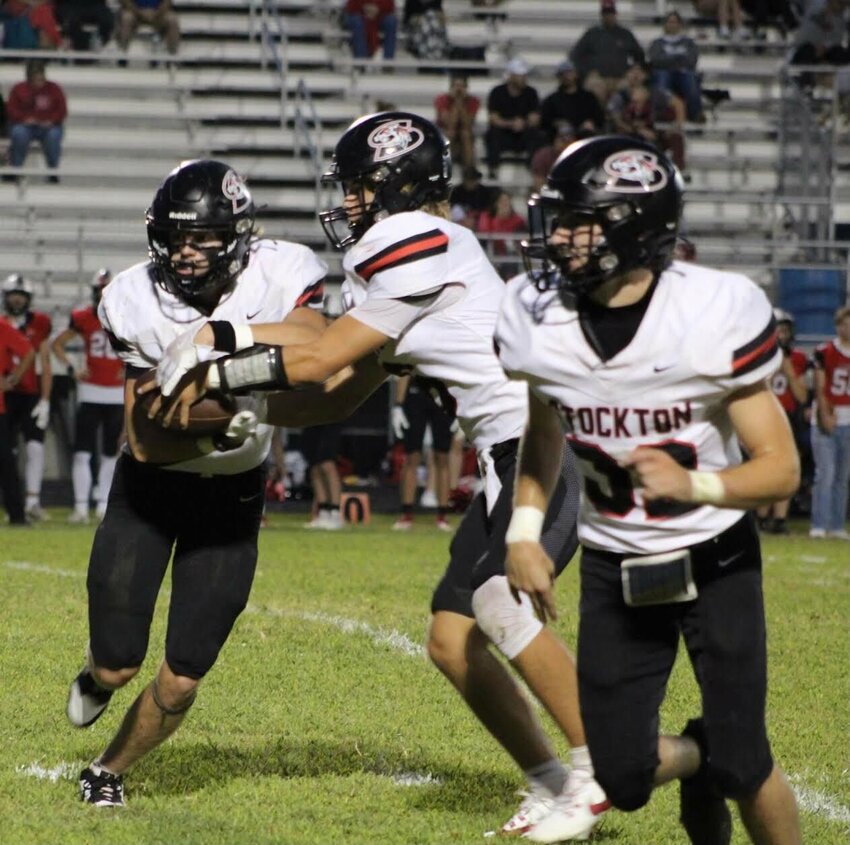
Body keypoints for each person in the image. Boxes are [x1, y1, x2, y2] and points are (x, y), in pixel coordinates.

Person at [153, 112, 608, 840]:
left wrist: (217, 345)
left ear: (396, 184)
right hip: (503, 452)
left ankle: (597, 766)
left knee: (497, 603)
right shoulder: (405, 261)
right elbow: (333, 388)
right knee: (451, 639)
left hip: (531, 452)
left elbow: (321, 356)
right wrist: (241, 400)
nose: (351, 203)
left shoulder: (413, 240)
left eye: (361, 186)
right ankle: (555, 780)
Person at [495, 134, 803, 844]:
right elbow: (544, 429)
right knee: (622, 773)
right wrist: (522, 530)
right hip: (614, 564)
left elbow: (781, 467)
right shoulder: (537, 317)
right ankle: (696, 760)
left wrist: (694, 481)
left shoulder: (710, 310)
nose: (559, 238)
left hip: (713, 554)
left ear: (631, 228)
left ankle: (720, 759)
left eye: (579, 221)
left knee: (747, 760)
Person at [64, 159, 328, 808]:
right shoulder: (132, 297)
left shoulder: (281, 271)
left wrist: (220, 361)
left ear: (237, 235)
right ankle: (99, 677)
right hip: (149, 494)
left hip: (230, 500)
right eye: (175, 238)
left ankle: (107, 769)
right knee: (118, 662)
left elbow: (318, 345)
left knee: (182, 676)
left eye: (201, 238)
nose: (185, 253)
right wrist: (235, 415)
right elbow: (148, 438)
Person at [52, 271, 125, 524]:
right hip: (91, 390)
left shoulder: (126, 316)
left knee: (109, 452)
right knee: (82, 451)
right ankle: (81, 506)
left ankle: (103, 504)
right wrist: (73, 368)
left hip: (116, 393)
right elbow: (57, 343)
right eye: (100, 292)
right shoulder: (82, 317)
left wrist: (130, 365)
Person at [2, 273, 52, 522]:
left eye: (21, 296)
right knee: (6, 451)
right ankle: (11, 502)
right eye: (13, 295)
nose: (17, 300)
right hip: (7, 397)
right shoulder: (2, 324)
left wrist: (45, 398)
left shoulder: (39, 324)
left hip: (30, 393)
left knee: (34, 447)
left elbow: (43, 361)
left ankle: (32, 501)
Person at [757, 308, 808, 534]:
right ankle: (760, 516)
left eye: (785, 331)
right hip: (762, 415)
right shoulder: (757, 357)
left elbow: (802, 396)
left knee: (787, 466)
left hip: (788, 416)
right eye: (778, 331)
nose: (781, 336)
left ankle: (779, 519)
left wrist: (788, 370)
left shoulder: (796, 358)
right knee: (761, 466)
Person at [391, 374, 454, 531]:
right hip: (416, 392)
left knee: (442, 456)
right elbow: (404, 368)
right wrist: (398, 404)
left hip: (442, 393)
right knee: (412, 455)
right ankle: (406, 514)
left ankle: (442, 515)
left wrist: (462, 404)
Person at [809, 304, 850, 539]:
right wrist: (824, 413)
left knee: (842, 477)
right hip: (829, 417)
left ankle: (836, 525)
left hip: (849, 419)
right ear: (838, 326)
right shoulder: (824, 351)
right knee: (825, 473)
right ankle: (819, 523)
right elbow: (820, 386)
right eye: (846, 323)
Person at [608, 62, 687, 173]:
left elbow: (678, 103)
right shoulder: (620, 96)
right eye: (632, 72)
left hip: (654, 133)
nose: (635, 75)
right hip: (629, 133)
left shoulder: (656, 93)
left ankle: (678, 171)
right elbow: (616, 119)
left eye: (639, 72)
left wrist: (677, 125)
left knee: (676, 136)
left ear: (645, 75)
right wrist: (637, 130)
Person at [570, 0, 644, 107]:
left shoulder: (625, 34)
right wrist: (587, 72)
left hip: (621, 78)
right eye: (606, 13)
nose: (608, 16)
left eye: (611, 13)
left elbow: (639, 55)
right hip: (598, 78)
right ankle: (599, 120)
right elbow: (576, 56)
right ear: (601, 15)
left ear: (615, 14)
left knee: (633, 90)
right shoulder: (592, 34)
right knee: (593, 90)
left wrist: (633, 71)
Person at [484, 57, 547, 179]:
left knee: (536, 135)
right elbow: (494, 119)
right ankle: (493, 169)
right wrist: (511, 123)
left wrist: (523, 123)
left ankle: (534, 170)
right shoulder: (497, 92)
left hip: (523, 135)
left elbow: (535, 118)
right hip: (504, 134)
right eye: (520, 75)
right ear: (511, 76)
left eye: (524, 75)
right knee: (492, 133)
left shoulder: (531, 93)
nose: (524, 78)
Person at [5, 59, 67, 182]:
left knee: (53, 136)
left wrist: (51, 121)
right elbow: (11, 110)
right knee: (19, 133)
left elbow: (62, 110)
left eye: (41, 79)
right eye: (35, 80)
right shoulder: (18, 89)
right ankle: (16, 169)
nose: (38, 83)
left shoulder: (54, 89)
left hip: (49, 125)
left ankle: (52, 171)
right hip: (25, 125)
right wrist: (24, 119)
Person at [0, 317, 35, 526]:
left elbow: (28, 352)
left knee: (5, 462)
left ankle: (17, 515)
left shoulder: (3, 328)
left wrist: (12, 379)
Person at [647, 10, 705, 123]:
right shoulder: (657, 43)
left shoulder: (689, 43)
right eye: (669, 22)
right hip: (663, 72)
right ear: (665, 24)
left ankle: (695, 114)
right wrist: (678, 59)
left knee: (690, 79)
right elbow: (655, 61)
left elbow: (691, 61)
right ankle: (660, 114)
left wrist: (669, 60)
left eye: (675, 22)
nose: (672, 25)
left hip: (684, 73)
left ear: (680, 24)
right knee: (662, 78)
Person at [539, 59, 604, 143]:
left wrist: (591, 123)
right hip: (561, 138)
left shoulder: (588, 97)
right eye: (563, 74)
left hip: (584, 136)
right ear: (559, 77)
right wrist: (556, 123)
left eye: (569, 73)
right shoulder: (552, 99)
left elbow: (600, 118)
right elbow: (544, 121)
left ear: (575, 74)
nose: (566, 76)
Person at [301, 422, 345, 530]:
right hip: (312, 417)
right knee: (315, 468)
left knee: (327, 464)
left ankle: (335, 514)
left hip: (330, 417)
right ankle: (323, 514)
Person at [476, 189, 526, 279]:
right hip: (490, 250)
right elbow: (484, 234)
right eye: (501, 201)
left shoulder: (518, 220)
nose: (504, 204)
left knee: (510, 255)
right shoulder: (486, 217)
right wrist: (498, 218)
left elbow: (520, 238)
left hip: (509, 253)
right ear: (495, 203)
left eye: (507, 201)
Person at [434, 73, 480, 170]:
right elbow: (449, 123)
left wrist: (460, 104)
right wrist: (456, 103)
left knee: (465, 133)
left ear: (466, 88)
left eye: (462, 86)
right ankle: (444, 167)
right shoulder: (441, 99)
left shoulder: (473, 101)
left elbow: (467, 123)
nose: (459, 90)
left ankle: (469, 169)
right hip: (445, 130)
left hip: (464, 131)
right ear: (451, 87)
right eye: (456, 86)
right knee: (450, 133)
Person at [530, 122, 576, 192]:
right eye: (563, 140)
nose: (566, 144)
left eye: (569, 141)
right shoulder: (543, 155)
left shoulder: (578, 156)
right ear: (555, 140)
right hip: (548, 195)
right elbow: (538, 184)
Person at [449, 164, 496, 230]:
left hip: (479, 223)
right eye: (468, 180)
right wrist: (463, 219)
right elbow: (452, 208)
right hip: (460, 223)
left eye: (473, 180)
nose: (471, 182)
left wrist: (476, 218)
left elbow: (488, 210)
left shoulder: (484, 192)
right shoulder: (456, 191)